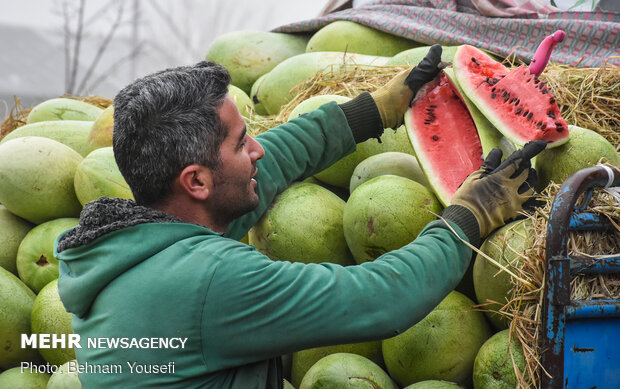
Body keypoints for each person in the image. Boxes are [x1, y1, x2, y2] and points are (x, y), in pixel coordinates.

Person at [54, 45, 545, 389]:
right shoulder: (210, 282)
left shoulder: (149, 246)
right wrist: (470, 215)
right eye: (239, 142)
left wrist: (373, 110)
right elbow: (383, 298)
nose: (257, 149)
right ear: (196, 181)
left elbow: (271, 165)